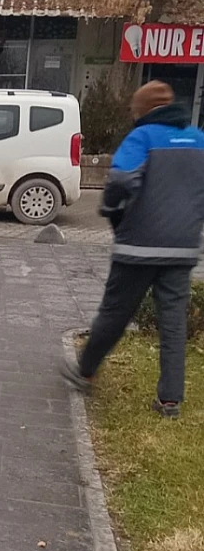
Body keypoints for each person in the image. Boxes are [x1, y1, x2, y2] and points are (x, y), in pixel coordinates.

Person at [62, 80, 204, 419]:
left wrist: (113, 214)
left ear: (141, 110)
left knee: (115, 313)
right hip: (182, 248)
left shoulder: (142, 138)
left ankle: (85, 371)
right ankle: (169, 400)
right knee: (172, 323)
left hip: (138, 245)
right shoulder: (198, 140)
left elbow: (122, 182)